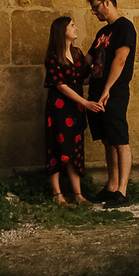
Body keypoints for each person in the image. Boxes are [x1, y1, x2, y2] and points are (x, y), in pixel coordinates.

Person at [85, 0, 137, 208]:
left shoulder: (125, 27)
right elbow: (88, 61)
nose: (94, 12)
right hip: (96, 91)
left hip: (114, 91)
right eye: (92, 9)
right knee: (107, 140)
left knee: (119, 140)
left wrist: (107, 88)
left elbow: (121, 59)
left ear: (107, 2)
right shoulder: (101, 33)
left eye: (96, 7)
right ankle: (111, 187)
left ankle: (122, 192)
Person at [43, 15, 99, 205]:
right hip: (59, 109)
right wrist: (86, 102)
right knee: (56, 146)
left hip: (76, 109)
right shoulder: (52, 57)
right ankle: (57, 194)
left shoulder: (77, 53)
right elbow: (60, 85)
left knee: (75, 149)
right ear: (62, 31)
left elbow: (85, 77)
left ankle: (78, 194)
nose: (76, 28)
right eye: (72, 25)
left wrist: (101, 70)